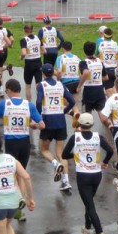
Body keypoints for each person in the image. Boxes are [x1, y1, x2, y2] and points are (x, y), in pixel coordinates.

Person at [0, 79, 43, 221]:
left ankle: (17, 203)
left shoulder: (5, 104)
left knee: (13, 175)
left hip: (11, 142)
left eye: (6, 90)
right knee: (21, 173)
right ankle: (20, 204)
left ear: (10, 90)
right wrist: (33, 125)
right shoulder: (28, 105)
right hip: (25, 141)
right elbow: (42, 124)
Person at [61, 112, 113, 234]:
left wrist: (77, 153)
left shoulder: (75, 138)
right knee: (88, 201)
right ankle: (87, 228)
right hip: (96, 174)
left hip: (83, 175)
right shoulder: (98, 137)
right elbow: (110, 151)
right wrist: (105, 162)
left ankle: (100, 233)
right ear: (92, 124)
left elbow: (64, 155)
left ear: (79, 124)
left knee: (90, 205)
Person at [36, 63, 76, 193]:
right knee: (61, 153)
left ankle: (55, 164)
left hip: (48, 120)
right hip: (60, 120)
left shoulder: (42, 85)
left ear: (43, 73)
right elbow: (73, 102)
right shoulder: (60, 84)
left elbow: (38, 101)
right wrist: (64, 111)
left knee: (44, 149)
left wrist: (38, 117)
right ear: (52, 72)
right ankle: (66, 181)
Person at [97, 27, 118, 97]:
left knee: (108, 92)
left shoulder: (100, 45)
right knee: (116, 90)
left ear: (104, 36)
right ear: (112, 36)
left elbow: (94, 56)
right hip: (115, 70)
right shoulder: (117, 44)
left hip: (105, 70)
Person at [77, 41, 107, 114]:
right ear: (94, 50)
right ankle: (109, 125)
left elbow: (86, 73)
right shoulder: (100, 61)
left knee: (86, 116)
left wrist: (79, 86)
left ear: (84, 51)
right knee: (102, 114)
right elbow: (106, 77)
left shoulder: (83, 62)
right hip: (100, 90)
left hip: (88, 90)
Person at [20, 24, 43, 101]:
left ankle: (29, 103)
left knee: (28, 85)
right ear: (32, 30)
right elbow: (44, 51)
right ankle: (39, 102)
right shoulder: (37, 38)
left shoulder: (24, 40)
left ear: (24, 30)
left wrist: (21, 57)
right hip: (38, 61)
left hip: (29, 63)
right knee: (38, 84)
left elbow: (23, 53)